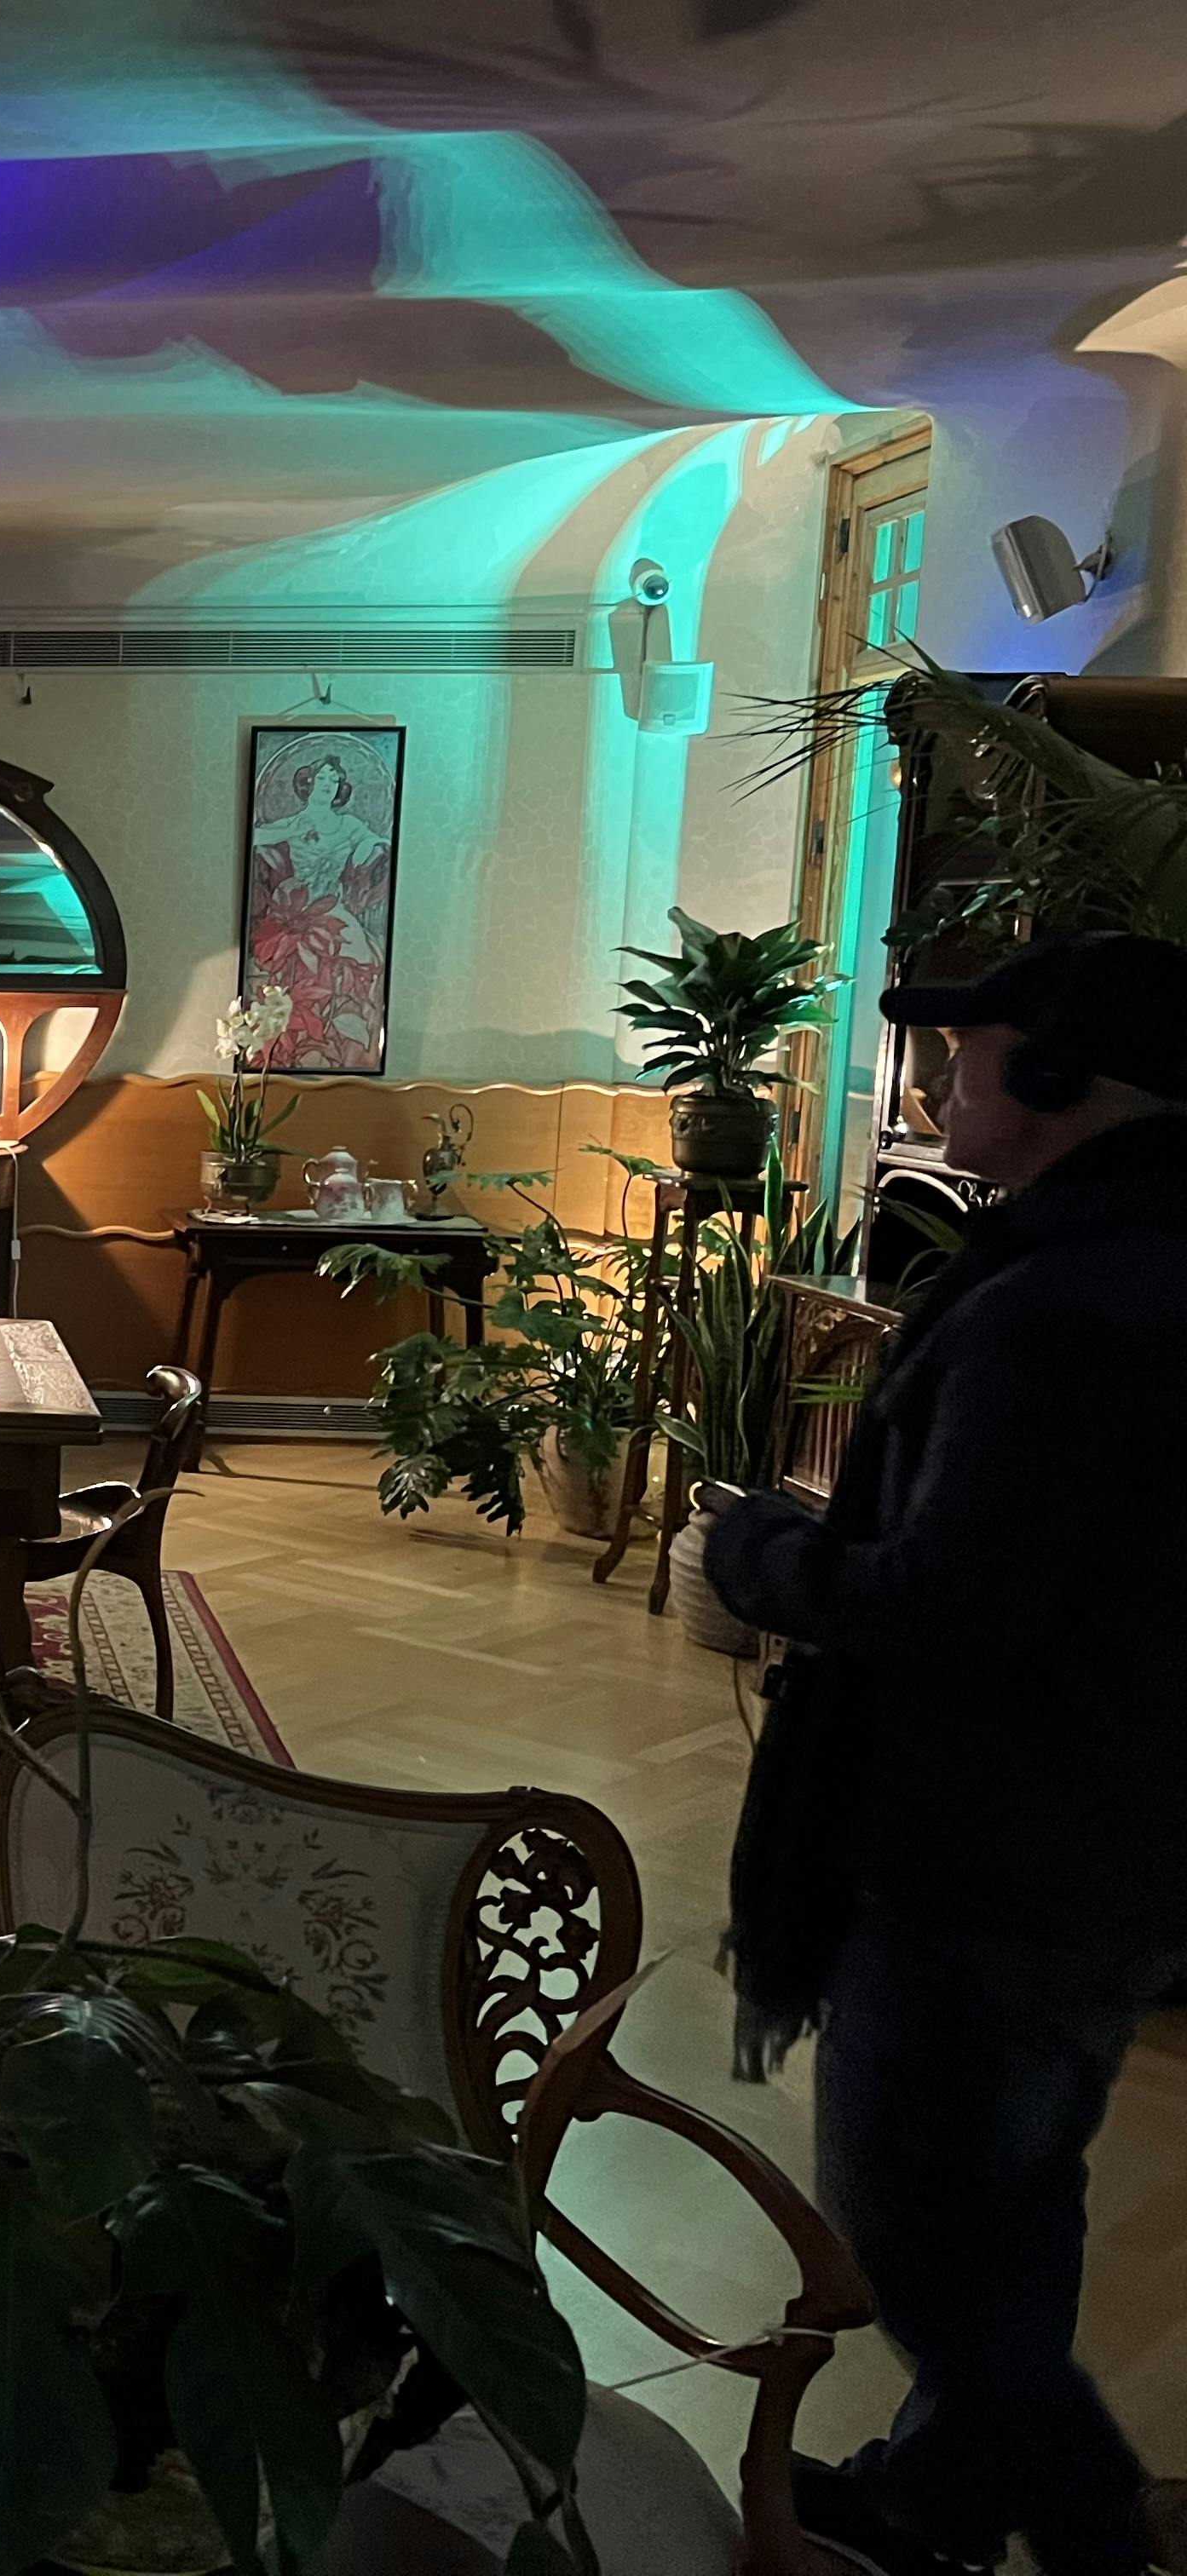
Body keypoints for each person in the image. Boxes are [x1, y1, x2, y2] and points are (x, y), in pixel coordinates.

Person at [704, 931, 1187, 2576]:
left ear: (1050, 1080)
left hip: (992, 1851)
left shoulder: (1062, 1308)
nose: (939, 1079)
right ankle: (937, 2496)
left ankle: (1098, 2526)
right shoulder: (1147, 1258)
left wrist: (759, 1550)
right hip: (1112, 1835)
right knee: (1016, 2189)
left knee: (910, 2234)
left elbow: (943, 1601)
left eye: (965, 1051)